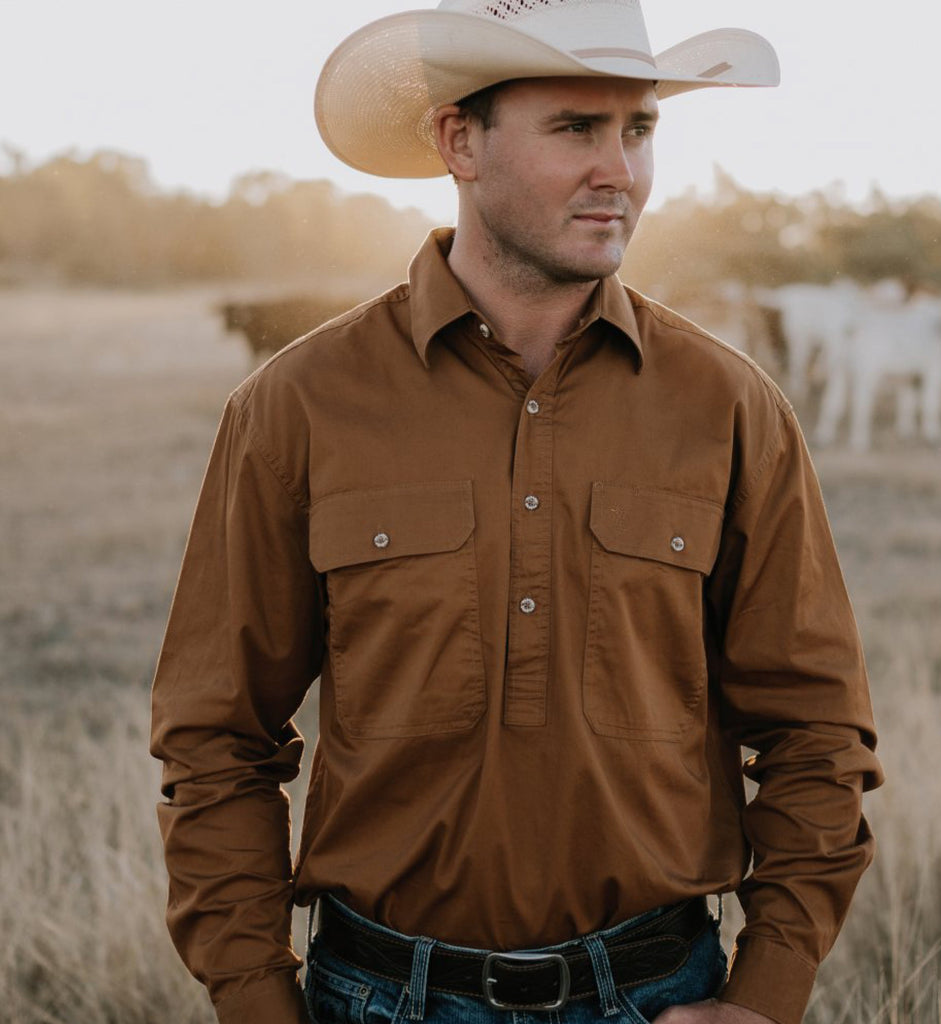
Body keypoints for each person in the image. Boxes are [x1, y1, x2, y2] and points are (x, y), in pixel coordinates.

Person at [150, 3, 883, 1024]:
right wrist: (255, 997)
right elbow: (216, 737)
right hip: (376, 997)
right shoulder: (296, 407)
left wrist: (765, 995)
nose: (618, 170)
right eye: (576, 127)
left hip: (654, 992)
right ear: (459, 140)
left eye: (639, 129)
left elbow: (815, 729)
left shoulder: (729, 407)